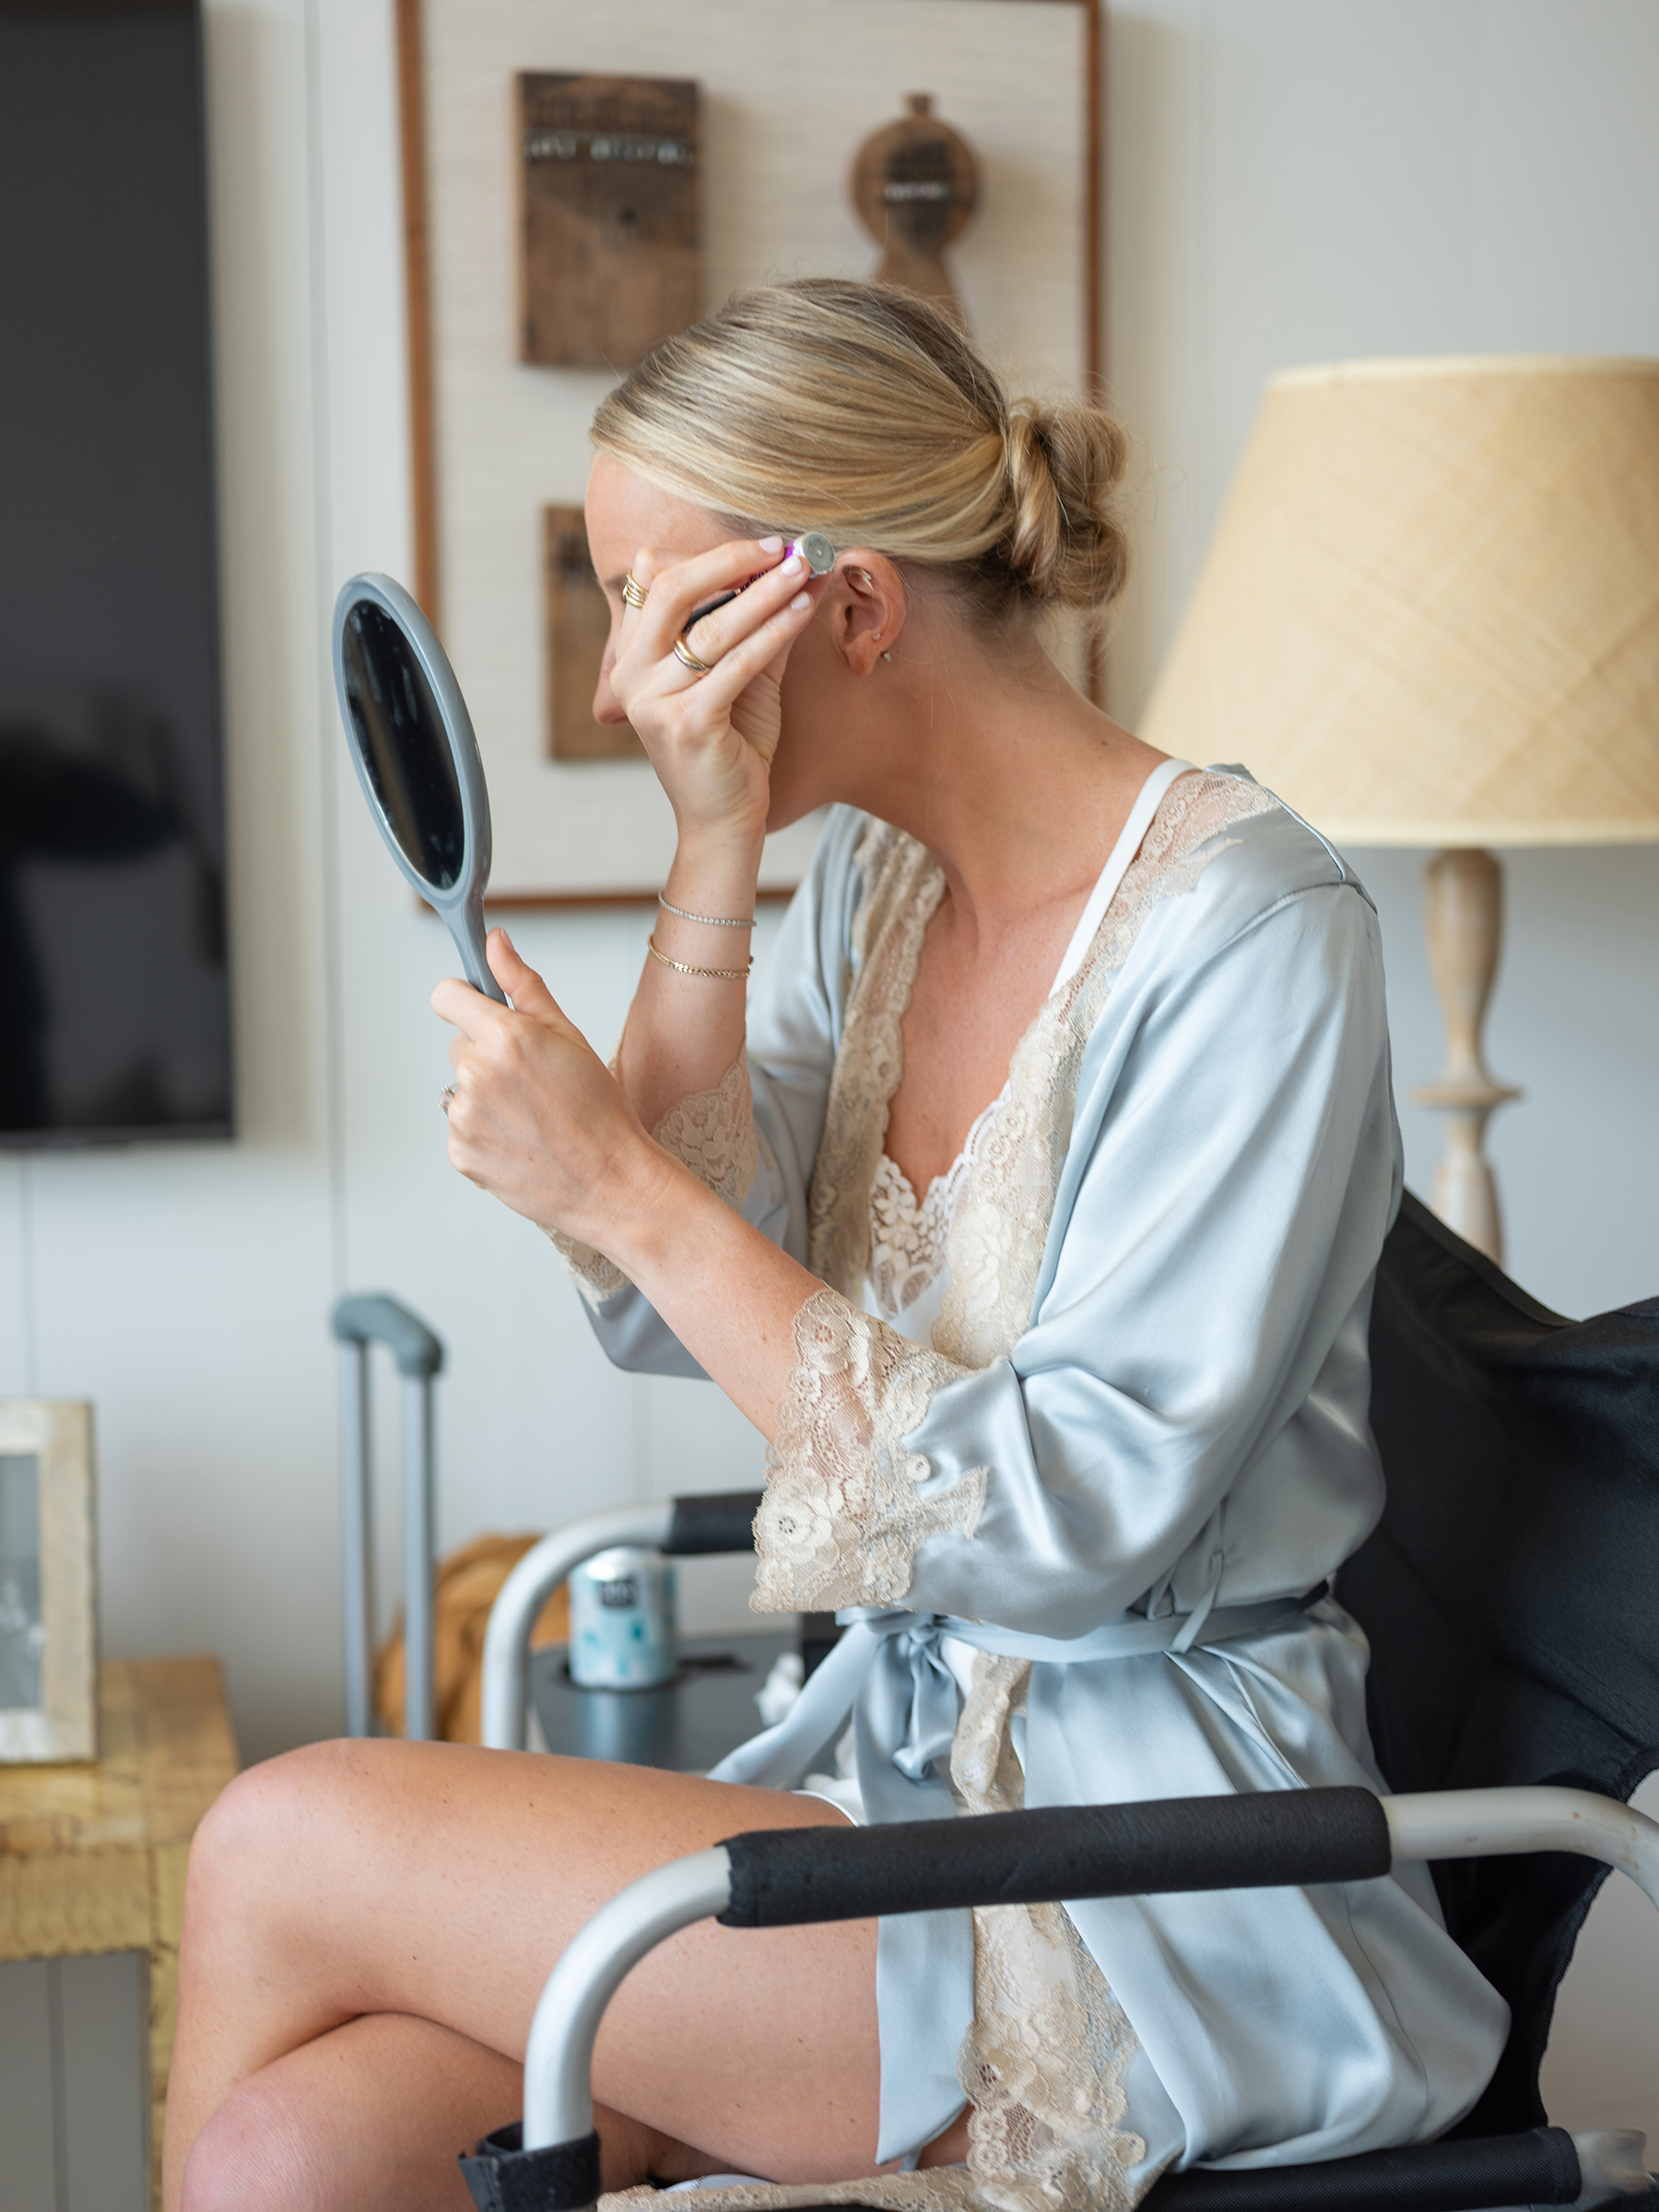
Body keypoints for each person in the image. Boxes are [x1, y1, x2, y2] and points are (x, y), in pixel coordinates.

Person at [164, 280, 1506, 2212]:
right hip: (890, 1799)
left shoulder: (1256, 938)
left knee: (279, 1841)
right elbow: (667, 1306)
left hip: (1154, 1879)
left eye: (660, 607)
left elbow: (1063, 1530)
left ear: (853, 609)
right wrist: (713, 852)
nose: (624, 687)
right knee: (301, 2150)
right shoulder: (871, 885)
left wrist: (612, 1177)